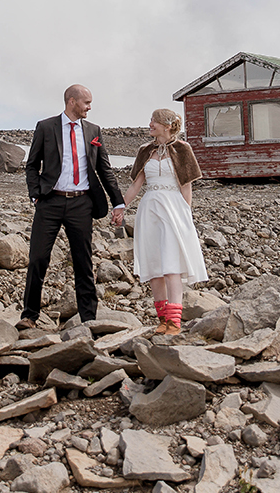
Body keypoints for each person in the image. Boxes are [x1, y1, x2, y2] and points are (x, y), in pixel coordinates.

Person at [18, 84, 126, 330]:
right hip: (50, 201)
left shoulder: (94, 131)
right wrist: (35, 195)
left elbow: (104, 169)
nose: (90, 107)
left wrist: (118, 202)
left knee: (83, 261)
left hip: (81, 203)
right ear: (72, 101)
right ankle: (29, 316)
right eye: (86, 102)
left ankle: (88, 318)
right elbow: (32, 165)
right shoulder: (46, 127)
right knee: (38, 258)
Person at [116, 108, 207, 335]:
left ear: (166, 126)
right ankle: (163, 319)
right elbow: (136, 184)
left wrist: (186, 214)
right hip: (150, 208)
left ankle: (175, 321)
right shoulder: (145, 150)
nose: (150, 124)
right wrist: (121, 206)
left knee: (171, 262)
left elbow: (186, 186)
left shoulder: (183, 149)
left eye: (154, 121)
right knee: (154, 263)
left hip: (173, 208)